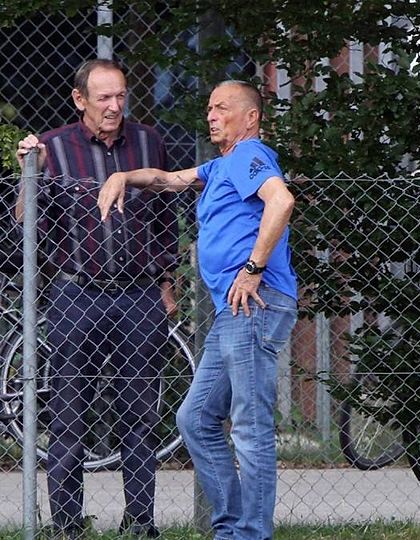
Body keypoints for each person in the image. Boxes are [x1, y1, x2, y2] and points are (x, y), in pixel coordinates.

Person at [97, 80, 298, 540]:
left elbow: (282, 200)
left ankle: (251, 534)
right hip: (234, 310)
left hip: (254, 302)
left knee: (249, 426)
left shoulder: (249, 155)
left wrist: (253, 269)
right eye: (209, 108)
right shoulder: (222, 164)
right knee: (195, 419)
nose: (211, 115)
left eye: (222, 108)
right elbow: (168, 180)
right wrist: (123, 176)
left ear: (251, 117)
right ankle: (230, 528)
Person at [15, 58, 178, 539]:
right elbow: (25, 224)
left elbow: (166, 218)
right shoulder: (52, 148)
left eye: (121, 96)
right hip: (76, 295)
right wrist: (29, 174)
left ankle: (141, 523)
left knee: (140, 416)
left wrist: (167, 283)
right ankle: (67, 526)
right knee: (68, 417)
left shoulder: (148, 142)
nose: (114, 106)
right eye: (104, 97)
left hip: (140, 295)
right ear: (79, 99)